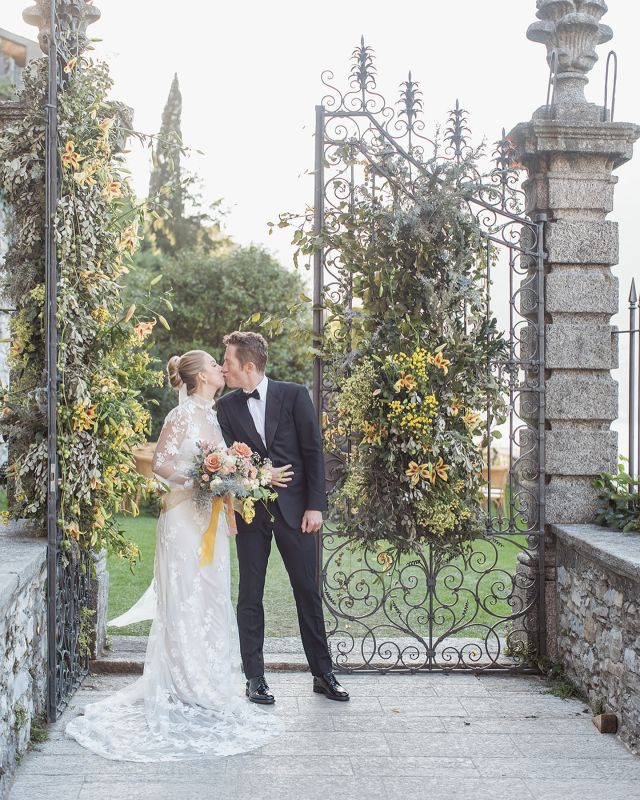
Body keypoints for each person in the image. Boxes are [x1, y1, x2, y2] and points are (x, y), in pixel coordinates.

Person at [66, 350, 286, 761]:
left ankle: (211, 678)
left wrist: (227, 478)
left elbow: (223, 465)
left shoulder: (215, 415)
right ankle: (184, 681)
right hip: (184, 519)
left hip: (212, 522)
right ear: (201, 376)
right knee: (184, 595)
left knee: (210, 593)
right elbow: (160, 465)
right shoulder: (179, 416)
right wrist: (202, 479)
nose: (223, 369)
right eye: (215, 365)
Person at [217, 331, 349, 704]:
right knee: (250, 594)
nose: (223, 366)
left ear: (249, 365)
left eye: (227, 361)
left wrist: (316, 505)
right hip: (251, 513)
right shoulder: (225, 409)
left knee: (307, 591)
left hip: (298, 513)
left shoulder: (293, 395)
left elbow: (314, 450)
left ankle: (323, 674)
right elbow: (228, 463)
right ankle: (255, 677)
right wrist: (262, 474)